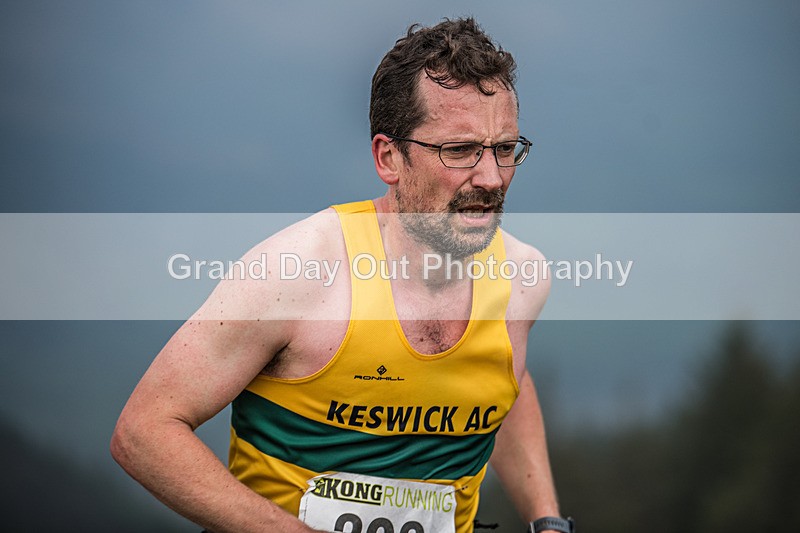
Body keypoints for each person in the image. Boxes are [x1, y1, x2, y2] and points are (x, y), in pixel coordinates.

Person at [112, 17, 573, 533]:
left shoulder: (523, 279)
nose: (490, 177)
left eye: (505, 149)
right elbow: (143, 431)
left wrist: (547, 518)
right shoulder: (296, 273)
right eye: (459, 150)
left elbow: (502, 381)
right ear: (389, 157)